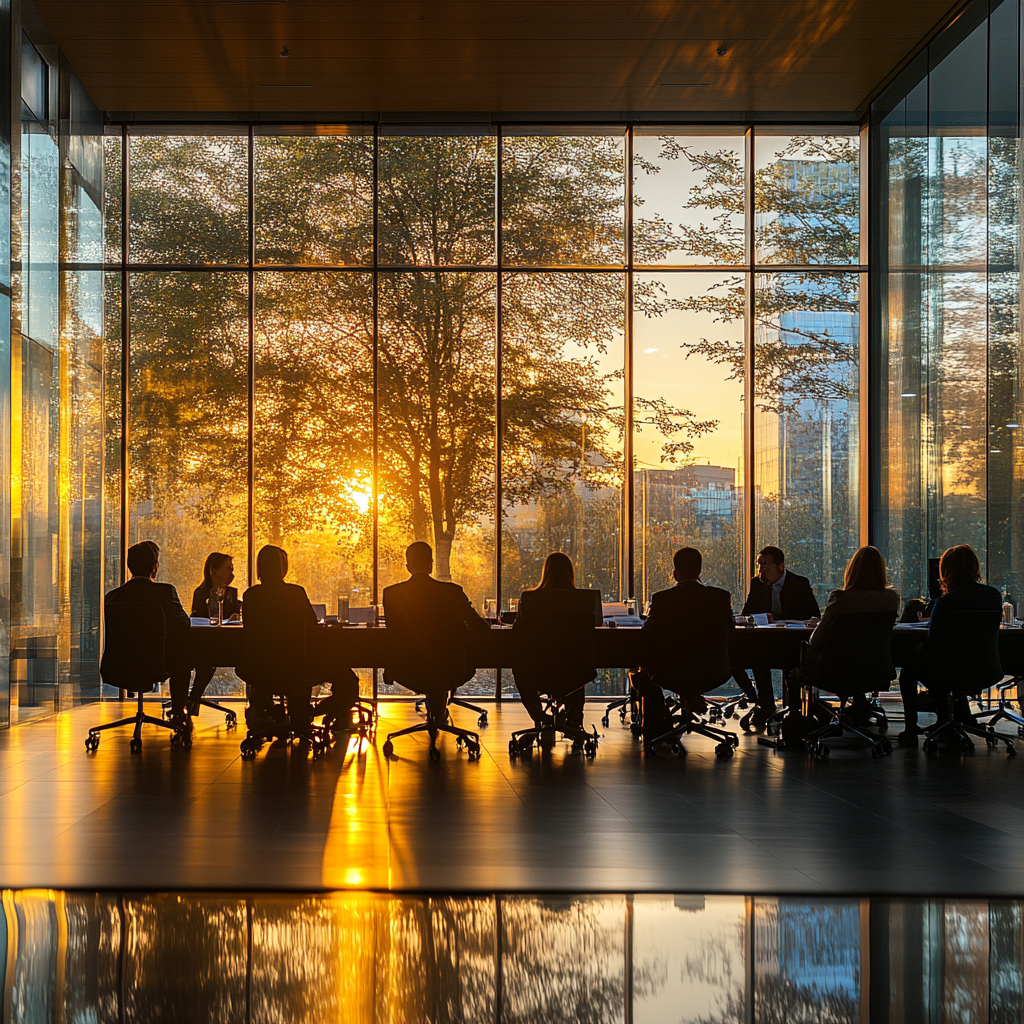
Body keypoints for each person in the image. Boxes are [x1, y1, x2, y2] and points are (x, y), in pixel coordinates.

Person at [238, 545, 358, 740]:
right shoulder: (295, 593)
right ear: (283, 568)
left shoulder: (250, 596)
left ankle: (286, 714)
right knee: (348, 681)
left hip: (262, 668)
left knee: (298, 668)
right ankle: (310, 714)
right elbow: (312, 630)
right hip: (297, 666)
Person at [898, 544, 1002, 746]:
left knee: (911, 668)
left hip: (946, 670)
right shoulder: (993, 596)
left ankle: (911, 729)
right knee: (953, 665)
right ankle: (957, 718)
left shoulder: (946, 603)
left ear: (946, 571)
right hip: (985, 668)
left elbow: (933, 644)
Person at [632, 546, 734, 743]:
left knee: (643, 673)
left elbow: (648, 634)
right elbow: (730, 630)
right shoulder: (720, 597)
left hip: (671, 672)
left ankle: (657, 730)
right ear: (699, 571)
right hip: (713, 670)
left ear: (674, 573)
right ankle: (691, 701)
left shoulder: (662, 599)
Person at [382, 541, 489, 724]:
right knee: (441, 669)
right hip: (451, 668)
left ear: (408, 567)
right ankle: (439, 716)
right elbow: (481, 627)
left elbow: (394, 631)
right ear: (430, 564)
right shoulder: (453, 592)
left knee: (431, 671)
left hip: (409, 669)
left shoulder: (392, 594)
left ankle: (438, 716)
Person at [512, 552, 602, 742]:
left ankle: (540, 717)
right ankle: (574, 721)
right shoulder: (585, 599)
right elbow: (596, 625)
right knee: (577, 664)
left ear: (545, 572)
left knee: (519, 668)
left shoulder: (530, 599)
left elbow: (517, 632)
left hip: (539, 668)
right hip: (576, 668)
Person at [104, 540, 192, 725]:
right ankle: (178, 712)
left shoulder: (112, 597)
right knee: (184, 658)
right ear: (155, 567)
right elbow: (184, 623)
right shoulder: (165, 592)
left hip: (119, 665)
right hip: (155, 664)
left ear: (129, 567)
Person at [733, 545, 821, 728]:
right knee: (755, 658)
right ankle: (765, 704)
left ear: (780, 566)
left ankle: (795, 710)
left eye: (765, 565)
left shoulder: (799, 584)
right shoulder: (757, 584)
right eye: (759, 565)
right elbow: (746, 615)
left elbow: (814, 616)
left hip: (794, 642)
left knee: (792, 664)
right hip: (767, 641)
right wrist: (762, 618)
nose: (760, 570)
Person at [807, 545, 900, 651]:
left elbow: (816, 640)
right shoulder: (891, 598)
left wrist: (820, 623)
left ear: (852, 570)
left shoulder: (841, 599)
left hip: (842, 664)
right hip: (877, 664)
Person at [187, 552, 242, 714]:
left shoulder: (232, 594)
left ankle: (193, 699)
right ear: (214, 570)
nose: (232, 574)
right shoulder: (201, 594)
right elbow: (198, 620)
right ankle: (193, 699)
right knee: (206, 662)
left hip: (227, 641)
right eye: (228, 569)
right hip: (205, 642)